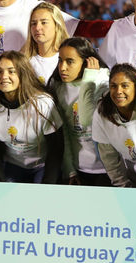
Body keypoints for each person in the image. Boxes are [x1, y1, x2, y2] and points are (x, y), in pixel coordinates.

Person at [0, 50, 63, 184]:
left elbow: (56, 149)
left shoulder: (43, 104)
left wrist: (48, 185)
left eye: (11, 71)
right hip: (12, 166)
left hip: (41, 166)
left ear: (23, 74)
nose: (4, 76)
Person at [47, 37, 111, 186]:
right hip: (79, 168)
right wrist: (70, 169)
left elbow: (86, 118)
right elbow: (65, 134)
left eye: (70, 61)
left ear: (87, 62)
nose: (62, 67)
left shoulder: (103, 82)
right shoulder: (58, 87)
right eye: (60, 60)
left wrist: (89, 78)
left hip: (108, 168)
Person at [92, 64, 136, 188]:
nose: (118, 91)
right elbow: (109, 159)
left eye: (125, 86)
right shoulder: (102, 112)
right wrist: (124, 186)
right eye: (113, 86)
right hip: (132, 180)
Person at [22, 1, 69, 84]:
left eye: (44, 22)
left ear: (57, 26)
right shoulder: (24, 61)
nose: (37, 28)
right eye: (33, 23)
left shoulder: (69, 59)